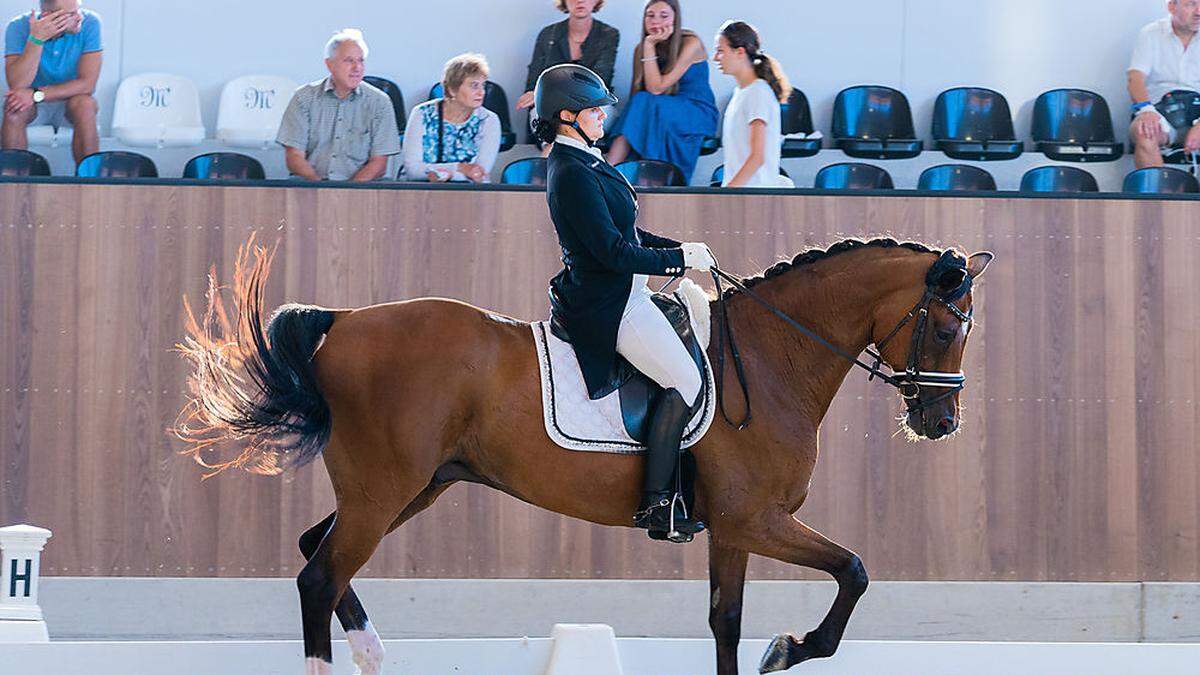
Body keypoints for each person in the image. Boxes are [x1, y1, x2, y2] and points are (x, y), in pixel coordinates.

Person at [532, 63, 715, 542]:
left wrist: (681, 251)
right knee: (686, 380)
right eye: (594, 111)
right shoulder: (570, 171)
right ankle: (658, 504)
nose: (603, 118)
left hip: (625, 290)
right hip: (610, 303)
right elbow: (612, 253)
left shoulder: (588, 160)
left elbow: (627, 234)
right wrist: (675, 259)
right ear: (566, 115)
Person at [604, 0, 717, 182]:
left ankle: (612, 162)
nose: (656, 21)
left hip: (695, 110)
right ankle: (622, 168)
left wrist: (649, 45)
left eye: (664, 16)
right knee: (641, 101)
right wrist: (646, 47)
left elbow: (656, 88)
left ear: (675, 18)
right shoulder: (640, 49)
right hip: (660, 108)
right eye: (650, 15)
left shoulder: (690, 43)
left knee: (646, 100)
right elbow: (636, 94)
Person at [276, 29, 400, 182]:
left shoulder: (379, 102)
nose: (357, 68)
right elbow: (294, 157)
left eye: (360, 60)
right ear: (329, 64)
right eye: (349, 61)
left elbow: (379, 164)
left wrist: (348, 193)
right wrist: (322, 189)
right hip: (312, 184)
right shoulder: (303, 97)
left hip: (362, 188)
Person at [3, 0, 101, 165]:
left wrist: (36, 95)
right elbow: (18, 84)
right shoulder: (17, 26)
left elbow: (87, 84)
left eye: (79, 10)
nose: (79, 17)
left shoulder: (90, 22)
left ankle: (90, 182)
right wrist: (37, 39)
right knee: (13, 107)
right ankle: (14, 180)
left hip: (69, 100)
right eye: (71, 14)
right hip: (31, 104)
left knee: (86, 105)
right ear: (49, 17)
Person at [712, 20, 792, 188]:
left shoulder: (758, 93)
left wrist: (729, 192)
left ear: (740, 52)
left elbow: (757, 156)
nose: (715, 58)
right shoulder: (741, 93)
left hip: (753, 195)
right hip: (743, 193)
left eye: (720, 51)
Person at [401, 53, 500, 183]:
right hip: (421, 192)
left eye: (483, 86)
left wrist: (443, 174)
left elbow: (479, 174)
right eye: (474, 86)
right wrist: (460, 168)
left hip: (471, 194)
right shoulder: (422, 113)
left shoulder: (489, 120)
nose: (481, 92)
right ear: (452, 89)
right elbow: (412, 170)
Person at [1128, 0, 1200, 168]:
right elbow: (1135, 78)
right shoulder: (1151, 33)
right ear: (1171, 7)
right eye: (1190, 4)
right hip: (1159, 111)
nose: (1198, 12)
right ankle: (1157, 192)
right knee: (1144, 132)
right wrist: (1146, 111)